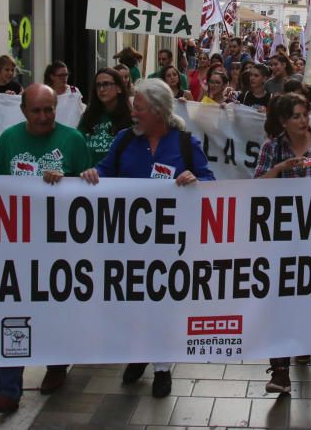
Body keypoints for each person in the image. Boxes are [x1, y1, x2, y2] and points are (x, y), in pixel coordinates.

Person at [0, 84, 92, 414]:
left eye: (50, 110)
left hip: (59, 246)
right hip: (15, 246)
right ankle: (8, 390)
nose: (44, 117)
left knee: (56, 311)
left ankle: (56, 365)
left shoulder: (73, 140)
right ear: (23, 111)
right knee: (12, 314)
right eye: (37, 110)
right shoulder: (9, 140)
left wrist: (70, 180)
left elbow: (89, 190)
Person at [81, 79, 215, 396]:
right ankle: (138, 355)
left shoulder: (184, 143)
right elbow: (105, 170)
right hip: (128, 242)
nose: (134, 114)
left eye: (138, 108)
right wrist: (91, 175)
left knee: (163, 304)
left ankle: (163, 367)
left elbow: (209, 179)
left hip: (171, 243)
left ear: (157, 111)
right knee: (132, 303)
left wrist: (195, 178)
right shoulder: (126, 140)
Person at [255, 93, 311, 394]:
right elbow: (256, 187)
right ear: (283, 121)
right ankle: (280, 371)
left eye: (305, 114)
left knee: (307, 295)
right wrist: (280, 169)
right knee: (280, 299)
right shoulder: (272, 147)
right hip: (282, 234)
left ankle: (303, 340)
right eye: (296, 116)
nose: (303, 121)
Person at [79, 68, 134, 165]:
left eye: (106, 84)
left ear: (119, 88)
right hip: (90, 176)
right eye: (98, 85)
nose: (101, 89)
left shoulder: (131, 118)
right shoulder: (88, 117)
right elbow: (77, 145)